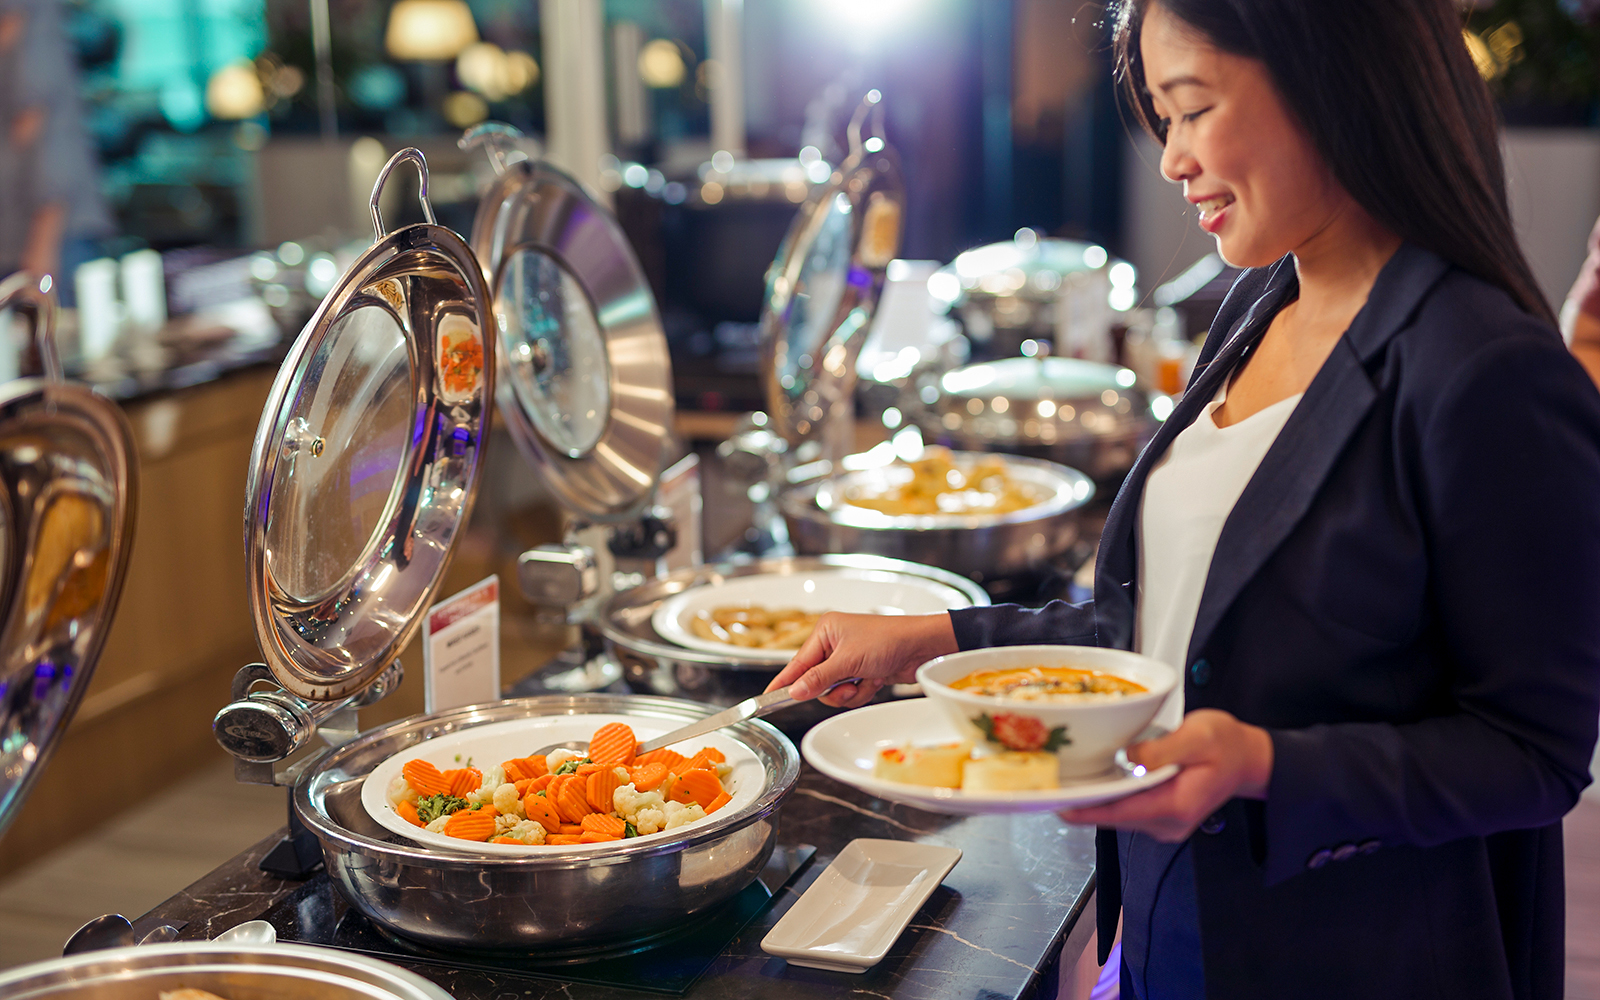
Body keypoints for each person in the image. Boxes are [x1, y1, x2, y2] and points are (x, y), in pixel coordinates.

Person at [768, 1, 1600, 997]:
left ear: (1331, 83)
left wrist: (1261, 765)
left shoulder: (1482, 369)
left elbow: (1533, 755)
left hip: (1349, 955)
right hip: (1177, 928)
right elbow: (1161, 628)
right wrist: (935, 639)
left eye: (1193, 108)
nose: (1170, 159)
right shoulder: (1261, 301)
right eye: (1162, 117)